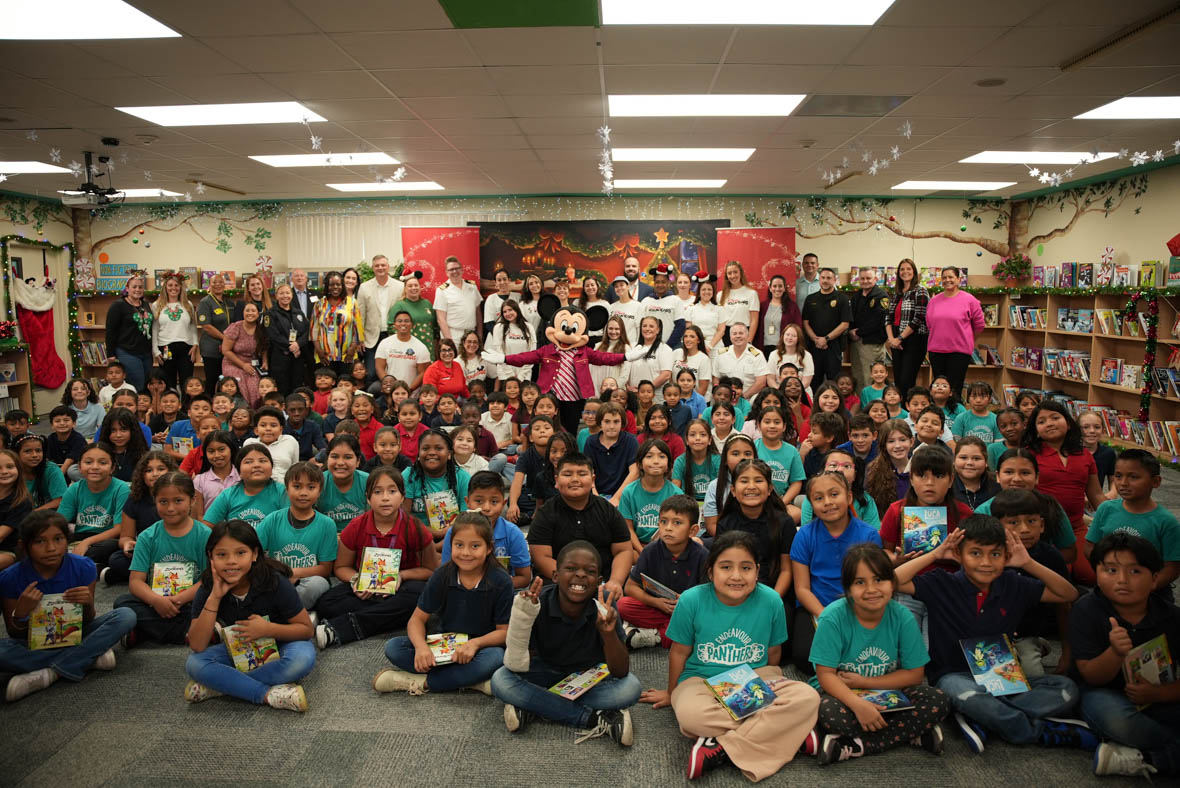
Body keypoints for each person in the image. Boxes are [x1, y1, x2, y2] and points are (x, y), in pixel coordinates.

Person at [894, 517, 1091, 754]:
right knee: (965, 693)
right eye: (975, 553)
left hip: (1001, 677)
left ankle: (984, 717)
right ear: (959, 554)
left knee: (1066, 688)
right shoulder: (941, 582)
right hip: (953, 676)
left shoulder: (1013, 583)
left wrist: (1028, 563)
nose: (986, 563)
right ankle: (1032, 730)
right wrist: (935, 554)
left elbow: (1068, 594)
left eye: (995, 555)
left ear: (1006, 557)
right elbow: (892, 582)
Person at [640, 530, 820, 781]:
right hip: (700, 680)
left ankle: (721, 748)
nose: (736, 576)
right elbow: (679, 652)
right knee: (692, 718)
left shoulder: (771, 601)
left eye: (746, 568)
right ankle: (788, 731)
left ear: (757, 571)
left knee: (808, 697)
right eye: (726, 567)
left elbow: (773, 653)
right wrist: (672, 693)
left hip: (753, 677)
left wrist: (765, 684)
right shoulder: (692, 600)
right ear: (711, 571)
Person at [809, 543, 948, 765]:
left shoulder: (902, 616)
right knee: (826, 712)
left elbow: (914, 674)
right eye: (860, 582)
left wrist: (864, 681)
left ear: (892, 584)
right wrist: (858, 704)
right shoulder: (832, 617)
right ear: (848, 588)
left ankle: (857, 745)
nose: (871, 589)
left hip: (889, 690)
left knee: (937, 700)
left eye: (879, 580)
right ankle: (912, 733)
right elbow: (825, 675)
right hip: (842, 694)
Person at [492, 543, 640, 745]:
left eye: (589, 571)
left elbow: (621, 670)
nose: (580, 575)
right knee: (501, 680)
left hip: (589, 679)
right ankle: (593, 718)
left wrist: (608, 634)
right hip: (546, 673)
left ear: (598, 581)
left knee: (630, 688)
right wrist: (524, 618)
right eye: (570, 569)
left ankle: (536, 705)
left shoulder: (603, 601)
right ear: (555, 576)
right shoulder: (537, 601)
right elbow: (516, 662)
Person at [1071, 534, 1180, 779]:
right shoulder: (1086, 609)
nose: (1122, 580)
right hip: (1101, 693)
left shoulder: (1171, 616)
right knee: (1119, 722)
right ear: (1096, 574)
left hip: (1157, 695)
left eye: (1135, 572)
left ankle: (1148, 757)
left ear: (1154, 580)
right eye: (1111, 570)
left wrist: (1159, 693)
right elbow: (1091, 675)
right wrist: (1116, 653)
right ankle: (1163, 754)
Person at [0, 511, 136, 702]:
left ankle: (50, 672)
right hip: (33, 643)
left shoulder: (83, 567)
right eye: (39, 542)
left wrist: (87, 603)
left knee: (126, 615)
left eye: (58, 539)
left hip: (75, 634)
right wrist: (20, 612)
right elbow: (14, 632)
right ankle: (88, 657)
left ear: (67, 540)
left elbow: (87, 619)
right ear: (25, 546)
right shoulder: (10, 577)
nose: (51, 548)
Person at [375, 511, 513, 696]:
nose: (465, 553)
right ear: (451, 545)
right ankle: (472, 682)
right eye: (459, 545)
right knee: (394, 648)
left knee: (495, 658)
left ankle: (423, 682)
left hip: (480, 649)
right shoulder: (442, 575)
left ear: (488, 548)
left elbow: (504, 632)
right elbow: (416, 620)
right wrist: (421, 648)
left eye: (475, 546)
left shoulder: (501, 581)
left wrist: (475, 644)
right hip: (445, 645)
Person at [184, 519, 315, 711]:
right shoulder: (208, 586)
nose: (231, 561)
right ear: (211, 557)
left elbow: (306, 630)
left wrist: (267, 629)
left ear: (254, 554)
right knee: (194, 664)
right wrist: (214, 597)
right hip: (241, 647)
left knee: (303, 658)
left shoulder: (274, 581)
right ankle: (266, 694)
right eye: (221, 554)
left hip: (283, 642)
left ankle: (222, 686)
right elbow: (197, 644)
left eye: (241, 553)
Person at [313, 467, 438, 648]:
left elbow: (430, 571)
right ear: (368, 498)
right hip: (366, 589)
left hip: (402, 588)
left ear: (402, 496)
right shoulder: (356, 526)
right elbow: (341, 568)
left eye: (392, 491)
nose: (385, 497)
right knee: (326, 603)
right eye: (377, 492)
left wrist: (401, 576)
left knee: (419, 596)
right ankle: (391, 616)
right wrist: (356, 579)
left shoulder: (415, 528)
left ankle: (342, 628)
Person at [790, 472, 882, 672]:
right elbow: (802, 588)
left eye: (834, 494)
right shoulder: (804, 535)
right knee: (804, 656)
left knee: (873, 652)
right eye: (819, 498)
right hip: (817, 608)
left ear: (849, 497)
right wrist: (825, 617)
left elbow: (873, 585)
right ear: (811, 504)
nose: (827, 502)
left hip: (859, 606)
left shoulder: (869, 535)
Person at [114, 472, 211, 647]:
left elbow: (208, 580)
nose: (171, 508)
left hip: (191, 603)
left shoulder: (205, 535)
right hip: (156, 603)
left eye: (178, 501)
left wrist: (178, 600)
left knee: (217, 603)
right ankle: (189, 634)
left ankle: (144, 632)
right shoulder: (147, 537)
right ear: (155, 501)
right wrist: (157, 601)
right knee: (122, 604)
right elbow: (136, 582)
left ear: (192, 500)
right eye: (163, 502)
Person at [526, 453, 633, 601]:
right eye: (568, 474)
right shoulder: (545, 513)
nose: (575, 479)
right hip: (560, 582)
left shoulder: (607, 510)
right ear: (556, 480)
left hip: (603, 582)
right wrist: (575, 581)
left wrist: (615, 581)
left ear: (593, 479)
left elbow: (623, 550)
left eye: (582, 474)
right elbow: (541, 557)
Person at [991, 488, 1072, 678]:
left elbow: (1064, 605)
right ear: (997, 526)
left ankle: (1036, 644)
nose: (1025, 529)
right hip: (993, 634)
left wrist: (1067, 653)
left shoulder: (1050, 556)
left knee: (1033, 678)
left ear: (1042, 525)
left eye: (1031, 521)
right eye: (1013, 523)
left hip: (1027, 634)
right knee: (997, 680)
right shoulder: (989, 556)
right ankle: (1037, 646)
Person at [1023, 400, 1104, 585]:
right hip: (1043, 529)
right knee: (1058, 575)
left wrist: (1118, 516)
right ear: (1036, 430)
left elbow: (1097, 495)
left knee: (1092, 575)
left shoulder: (1084, 455)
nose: (1049, 423)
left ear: (1068, 423)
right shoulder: (1028, 454)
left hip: (1077, 526)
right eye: (1042, 421)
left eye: (1055, 417)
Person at [1085, 449, 1180, 594]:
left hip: (1150, 593)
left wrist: (1149, 586)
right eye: (1118, 476)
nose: (1123, 483)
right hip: (1109, 587)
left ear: (1156, 481)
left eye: (1133, 477)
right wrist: (1105, 574)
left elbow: (1172, 567)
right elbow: (1090, 547)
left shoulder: (1166, 521)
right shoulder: (1106, 509)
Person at [618, 495, 707, 649]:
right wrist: (657, 603)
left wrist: (687, 601)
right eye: (663, 521)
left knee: (703, 623)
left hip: (687, 611)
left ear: (693, 530)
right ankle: (667, 633)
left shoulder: (702, 555)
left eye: (677, 523)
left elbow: (709, 596)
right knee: (623, 605)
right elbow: (630, 588)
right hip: (658, 607)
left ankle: (656, 636)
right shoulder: (650, 551)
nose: (668, 528)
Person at [255, 462, 337, 611]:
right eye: (297, 486)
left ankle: (282, 616)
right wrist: (281, 576)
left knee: (316, 585)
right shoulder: (272, 519)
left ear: (319, 491)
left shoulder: (327, 524)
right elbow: (254, 553)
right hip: (277, 578)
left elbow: (325, 569)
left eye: (311, 487)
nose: (303, 493)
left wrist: (292, 573)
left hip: (309, 580)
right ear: (287, 489)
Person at [440, 470, 531, 588]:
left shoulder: (513, 534)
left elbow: (524, 577)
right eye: (478, 501)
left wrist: (491, 586)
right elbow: (446, 574)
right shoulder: (454, 532)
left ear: (503, 504)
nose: (486, 508)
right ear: (467, 502)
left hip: (502, 592)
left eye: (494, 502)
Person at [924, 266, 983, 404]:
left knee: (954, 388)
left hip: (959, 352)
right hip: (936, 350)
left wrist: (967, 338)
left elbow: (979, 325)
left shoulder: (969, 300)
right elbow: (929, 324)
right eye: (944, 277)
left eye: (951, 277)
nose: (947, 280)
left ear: (958, 279)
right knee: (938, 389)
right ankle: (938, 416)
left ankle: (955, 419)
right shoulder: (934, 301)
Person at [403, 429, 471, 541]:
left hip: (453, 537)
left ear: (449, 454)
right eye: (425, 448)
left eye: (439, 448)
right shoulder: (408, 475)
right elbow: (404, 518)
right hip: (416, 537)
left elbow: (465, 519)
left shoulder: (463, 478)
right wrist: (434, 534)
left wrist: (441, 545)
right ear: (419, 454)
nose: (431, 452)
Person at [618, 439, 680, 558]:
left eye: (662, 456)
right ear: (640, 464)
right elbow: (628, 529)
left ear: (669, 466)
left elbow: (676, 529)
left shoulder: (676, 493)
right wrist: (642, 551)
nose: (656, 461)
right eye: (649, 456)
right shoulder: (629, 492)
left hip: (666, 546)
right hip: (636, 546)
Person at [203, 444, 288, 529]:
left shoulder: (282, 493)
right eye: (248, 462)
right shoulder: (228, 495)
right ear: (239, 471)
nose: (256, 465)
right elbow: (206, 528)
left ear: (271, 469)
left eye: (262, 461)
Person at [802, 268, 852, 396]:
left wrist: (826, 339)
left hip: (833, 346)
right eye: (823, 278)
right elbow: (805, 322)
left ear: (834, 280)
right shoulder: (810, 299)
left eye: (829, 278)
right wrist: (815, 339)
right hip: (814, 346)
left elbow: (845, 324)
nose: (825, 281)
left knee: (833, 380)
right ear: (820, 280)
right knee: (814, 380)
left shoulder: (842, 299)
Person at [885, 258, 929, 400]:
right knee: (898, 379)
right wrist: (892, 339)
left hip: (914, 339)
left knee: (907, 380)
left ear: (914, 272)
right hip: (896, 339)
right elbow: (888, 318)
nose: (905, 272)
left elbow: (919, 318)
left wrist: (900, 338)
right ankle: (899, 412)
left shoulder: (920, 291)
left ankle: (909, 412)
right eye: (902, 269)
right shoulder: (896, 293)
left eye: (908, 269)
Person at [357, 254, 404, 382]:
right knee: (371, 373)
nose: (380, 268)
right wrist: (360, 338)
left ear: (388, 267)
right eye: (377, 266)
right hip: (371, 338)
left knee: (394, 372)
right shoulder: (364, 287)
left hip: (393, 335)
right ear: (373, 268)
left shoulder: (400, 286)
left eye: (383, 265)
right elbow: (360, 315)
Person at [105, 273, 154, 393]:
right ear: (127, 288)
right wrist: (110, 354)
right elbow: (110, 330)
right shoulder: (118, 306)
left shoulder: (146, 305)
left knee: (148, 383)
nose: (137, 290)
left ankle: (145, 411)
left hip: (146, 353)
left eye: (140, 287)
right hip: (127, 351)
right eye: (134, 287)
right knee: (138, 384)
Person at [150, 272, 199, 391]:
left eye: (176, 285)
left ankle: (186, 406)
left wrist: (195, 344)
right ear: (165, 287)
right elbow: (155, 329)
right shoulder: (157, 305)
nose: (173, 288)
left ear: (181, 287)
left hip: (186, 348)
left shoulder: (188, 304)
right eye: (170, 285)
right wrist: (155, 350)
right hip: (166, 348)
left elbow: (193, 326)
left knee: (187, 382)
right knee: (168, 382)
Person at [312, 271, 365, 379]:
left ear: (342, 286)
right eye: (332, 284)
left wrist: (353, 348)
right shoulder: (319, 304)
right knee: (326, 384)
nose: (335, 287)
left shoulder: (352, 302)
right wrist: (319, 351)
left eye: (338, 284)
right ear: (327, 286)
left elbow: (358, 328)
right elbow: (314, 330)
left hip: (347, 354)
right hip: (324, 355)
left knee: (345, 384)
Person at [848, 268, 890, 393]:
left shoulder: (881, 296)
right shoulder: (856, 297)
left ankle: (873, 408)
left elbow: (879, 320)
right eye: (862, 278)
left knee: (870, 378)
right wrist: (851, 332)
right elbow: (850, 318)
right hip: (856, 343)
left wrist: (858, 332)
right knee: (857, 377)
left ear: (875, 279)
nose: (865, 281)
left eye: (868, 278)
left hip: (872, 344)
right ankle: (862, 408)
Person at [265, 283, 311, 396]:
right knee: (282, 388)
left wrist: (298, 344)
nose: (285, 296)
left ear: (292, 295)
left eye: (287, 293)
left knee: (297, 387)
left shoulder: (298, 313)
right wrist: (292, 347)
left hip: (297, 358)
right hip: (280, 358)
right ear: (276, 296)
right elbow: (273, 335)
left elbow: (307, 332)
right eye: (281, 293)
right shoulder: (270, 314)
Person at [221, 302, 268, 409]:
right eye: (247, 310)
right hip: (232, 362)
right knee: (240, 382)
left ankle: (253, 413)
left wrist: (265, 361)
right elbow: (226, 350)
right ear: (243, 313)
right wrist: (243, 365)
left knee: (254, 386)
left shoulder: (261, 328)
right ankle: (240, 411)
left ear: (258, 313)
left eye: (253, 311)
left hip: (251, 363)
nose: (250, 313)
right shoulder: (235, 327)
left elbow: (264, 347)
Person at [195, 273, 236, 395]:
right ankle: (210, 406)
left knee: (226, 381)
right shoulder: (205, 302)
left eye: (221, 282)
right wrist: (225, 339)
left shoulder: (229, 303)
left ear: (224, 285)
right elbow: (206, 326)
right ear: (209, 285)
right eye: (214, 282)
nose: (218, 285)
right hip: (212, 349)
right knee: (212, 380)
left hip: (228, 349)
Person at [387, 270, 437, 361]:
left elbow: (435, 327)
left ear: (420, 287)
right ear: (405, 289)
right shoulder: (400, 305)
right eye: (410, 286)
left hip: (428, 348)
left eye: (416, 285)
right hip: (408, 350)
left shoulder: (427, 304)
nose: (413, 288)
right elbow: (391, 327)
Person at [243, 407, 299, 484]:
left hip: (284, 488)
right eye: (263, 425)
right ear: (256, 430)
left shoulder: (290, 441)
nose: (268, 429)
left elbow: (295, 468)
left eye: (273, 425)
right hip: (256, 487)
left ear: (281, 429)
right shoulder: (249, 443)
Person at [712, 322, 767, 400]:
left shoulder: (757, 355)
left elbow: (761, 382)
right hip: (725, 400)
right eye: (734, 334)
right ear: (730, 337)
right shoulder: (721, 354)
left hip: (748, 399)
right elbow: (716, 379)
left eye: (741, 333)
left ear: (747, 336)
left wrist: (743, 398)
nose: (738, 336)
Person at [191, 431, 239, 520]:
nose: (216, 455)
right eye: (211, 451)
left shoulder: (241, 477)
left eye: (221, 449)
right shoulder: (199, 480)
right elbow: (199, 516)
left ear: (231, 449)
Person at [716, 260, 760, 344]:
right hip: (726, 335)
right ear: (726, 276)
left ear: (741, 273)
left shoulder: (751, 294)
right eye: (729, 273)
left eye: (735, 272)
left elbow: (754, 320)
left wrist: (749, 340)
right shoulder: (720, 295)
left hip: (744, 333)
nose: (733, 276)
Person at [756, 274, 800, 356]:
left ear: (784, 288)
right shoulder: (762, 306)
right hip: (764, 348)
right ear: (770, 288)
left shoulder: (792, 307)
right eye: (774, 286)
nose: (777, 289)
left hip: (784, 348)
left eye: (780, 286)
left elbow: (797, 328)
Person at [642, 263, 684, 349]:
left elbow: (680, 326)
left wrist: (667, 346)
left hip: (672, 347)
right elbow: (641, 325)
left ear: (668, 282)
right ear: (654, 283)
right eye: (657, 282)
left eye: (663, 282)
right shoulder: (646, 301)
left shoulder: (676, 301)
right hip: (649, 347)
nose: (660, 285)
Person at [953, 436, 1000, 510]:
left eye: (976, 458)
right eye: (963, 458)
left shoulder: (998, 484)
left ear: (986, 462)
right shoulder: (945, 486)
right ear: (954, 460)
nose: (969, 463)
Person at [684, 273, 724, 355]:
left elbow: (721, 330)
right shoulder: (691, 308)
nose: (707, 292)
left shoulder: (719, 309)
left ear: (713, 292)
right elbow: (689, 331)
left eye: (709, 289)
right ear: (699, 292)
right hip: (696, 347)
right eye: (703, 289)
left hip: (715, 347)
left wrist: (710, 346)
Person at [62, 379, 105, 443]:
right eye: (75, 389)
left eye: (83, 389)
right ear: (70, 392)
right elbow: (61, 430)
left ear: (88, 392)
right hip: (70, 440)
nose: (79, 391)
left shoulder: (98, 407)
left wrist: (91, 441)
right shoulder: (63, 408)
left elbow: (102, 430)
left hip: (92, 439)